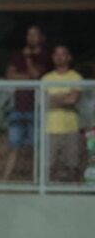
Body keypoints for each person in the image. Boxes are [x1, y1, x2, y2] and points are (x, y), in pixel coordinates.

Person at [3, 26, 53, 180]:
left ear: (41, 38)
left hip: (36, 107)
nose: (31, 38)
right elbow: (9, 76)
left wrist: (28, 59)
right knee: (13, 145)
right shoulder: (17, 55)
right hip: (18, 106)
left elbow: (36, 76)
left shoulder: (46, 57)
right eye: (29, 34)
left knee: (36, 146)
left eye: (35, 35)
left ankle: (36, 180)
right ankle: (5, 179)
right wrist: (28, 77)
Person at [42, 45, 83, 182]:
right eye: (57, 54)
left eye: (63, 54)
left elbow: (73, 100)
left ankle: (72, 195)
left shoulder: (76, 77)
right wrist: (65, 96)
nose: (60, 57)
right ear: (53, 58)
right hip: (50, 128)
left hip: (70, 128)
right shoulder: (46, 79)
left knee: (73, 165)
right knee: (49, 166)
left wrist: (54, 98)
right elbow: (44, 102)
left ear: (69, 57)